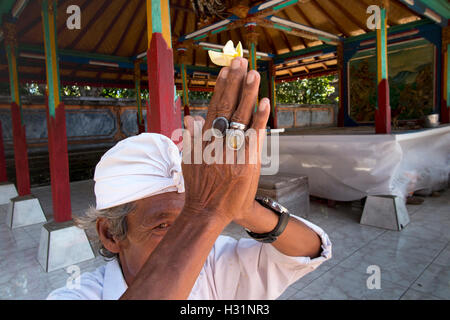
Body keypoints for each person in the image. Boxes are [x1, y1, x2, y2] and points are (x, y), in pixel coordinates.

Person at [47, 57, 332, 300]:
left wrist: (246, 210)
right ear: (110, 234)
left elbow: (310, 249)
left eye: (186, 214)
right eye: (162, 225)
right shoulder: (76, 294)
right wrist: (203, 211)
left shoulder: (213, 260)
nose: (190, 233)